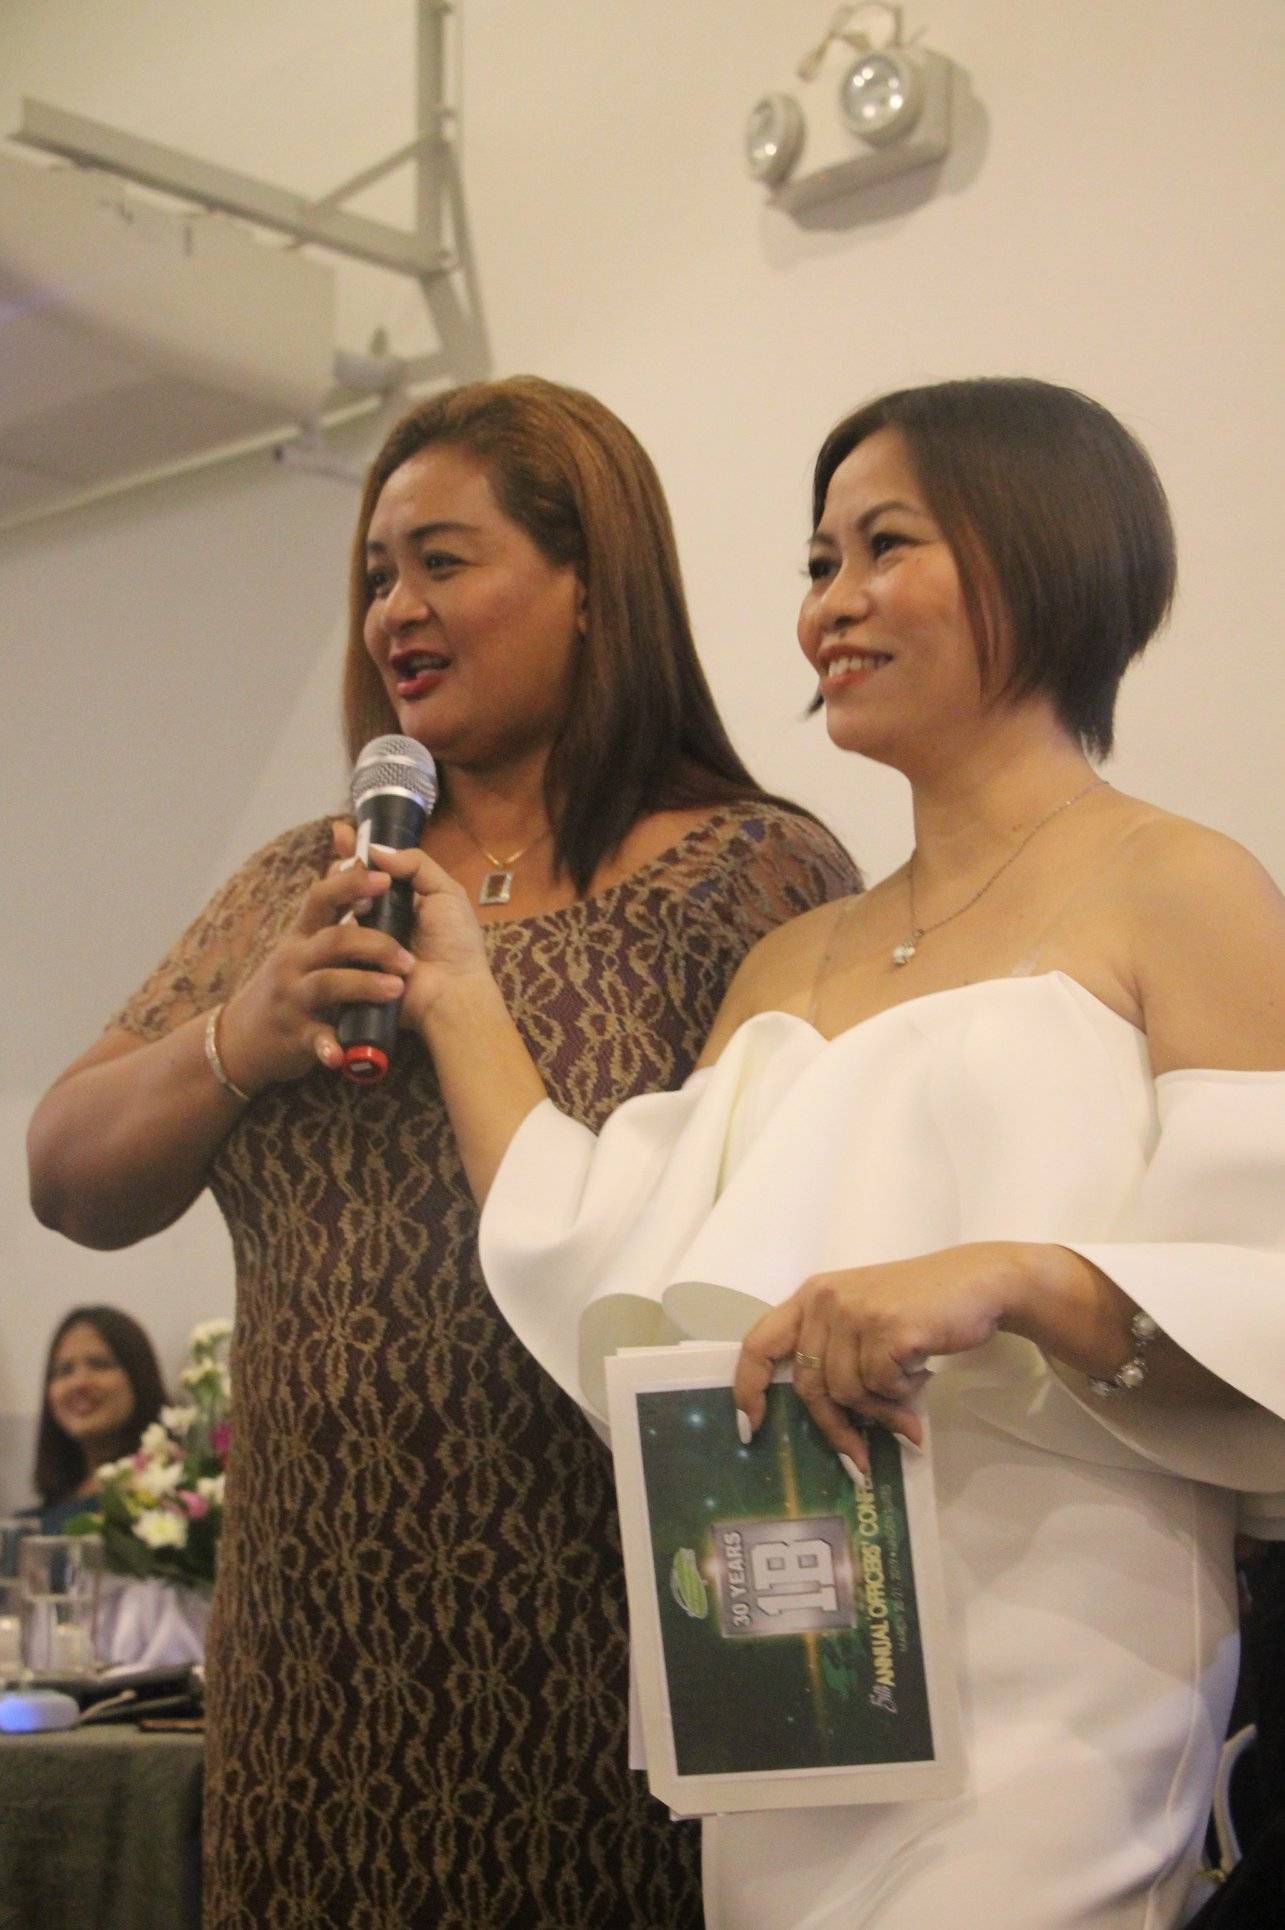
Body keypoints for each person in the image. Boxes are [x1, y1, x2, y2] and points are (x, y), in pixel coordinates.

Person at [370, 377, 1285, 1927]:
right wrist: (455, 990)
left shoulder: (1181, 885)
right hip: (798, 1655)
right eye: (816, 562)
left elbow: (1261, 1294)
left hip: (1061, 1650)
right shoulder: (791, 957)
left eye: (883, 546)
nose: (829, 605)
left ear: (1044, 554)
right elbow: (610, 1253)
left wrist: (1015, 1276)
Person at [27, 376, 858, 1928]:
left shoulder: (748, 871)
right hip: (314, 1663)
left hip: (615, 1631)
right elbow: (66, 1171)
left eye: (442, 561)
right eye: (375, 574)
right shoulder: (304, 881)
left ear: (593, 584)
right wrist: (242, 1034)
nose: (393, 611)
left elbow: (807, 1228)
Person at [25, 1305, 166, 1533]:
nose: (79, 1382)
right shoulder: (29, 1527)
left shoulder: (169, 1505)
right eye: (64, 1370)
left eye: (100, 1364)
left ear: (139, 1377)